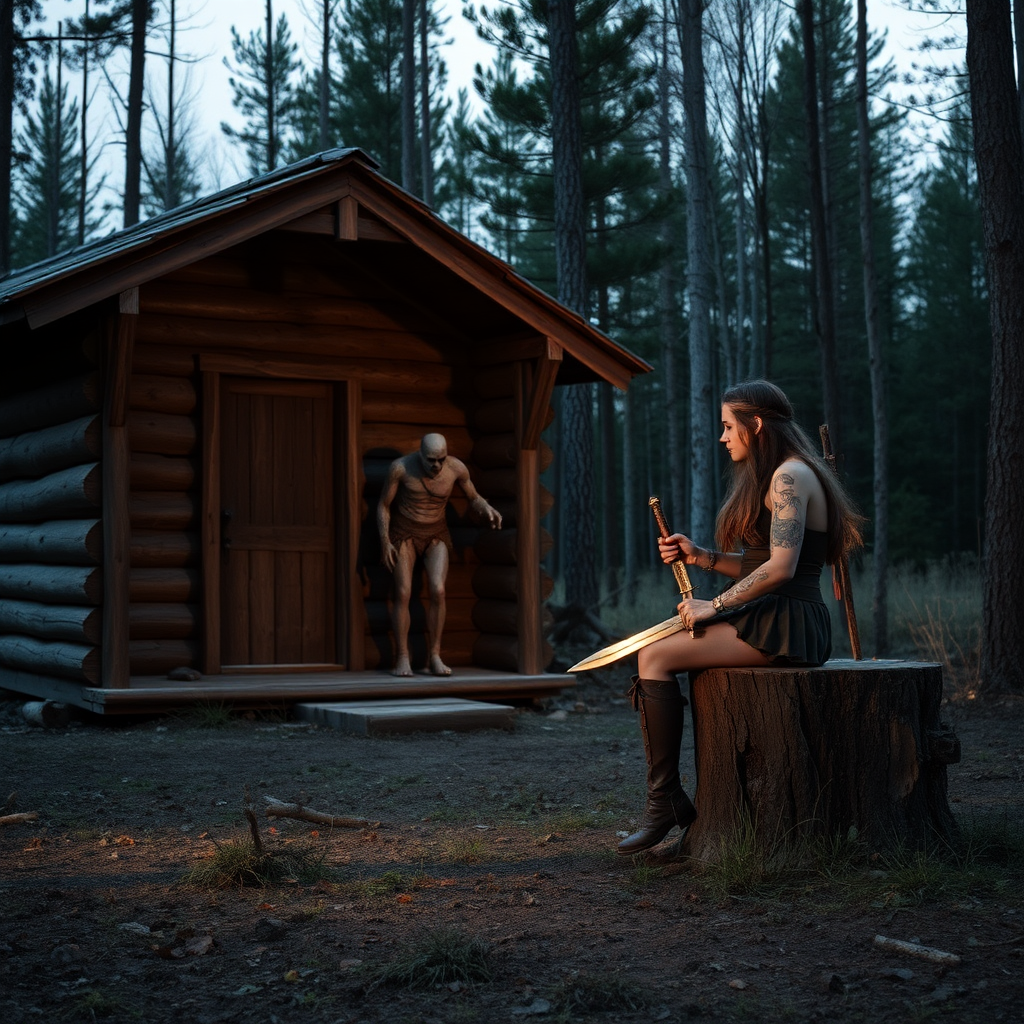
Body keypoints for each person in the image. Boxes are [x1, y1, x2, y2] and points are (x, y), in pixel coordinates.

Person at [618, 380, 863, 855]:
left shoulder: (789, 477)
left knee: (653, 657)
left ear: (755, 424)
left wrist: (714, 605)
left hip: (785, 624)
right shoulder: (787, 472)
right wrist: (702, 557)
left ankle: (663, 800)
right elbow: (761, 561)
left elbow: (781, 568)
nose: (723, 436)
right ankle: (666, 799)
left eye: (729, 426)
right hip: (777, 615)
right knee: (652, 652)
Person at [377, 433, 502, 677]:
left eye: (440, 460)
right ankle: (402, 657)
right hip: (405, 530)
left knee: (439, 590)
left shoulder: (455, 468)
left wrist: (485, 506)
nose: (436, 465)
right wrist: (384, 541)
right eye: (431, 460)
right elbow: (383, 505)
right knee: (403, 592)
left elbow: (473, 496)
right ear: (420, 454)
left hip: (436, 532)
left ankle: (435, 655)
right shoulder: (400, 468)